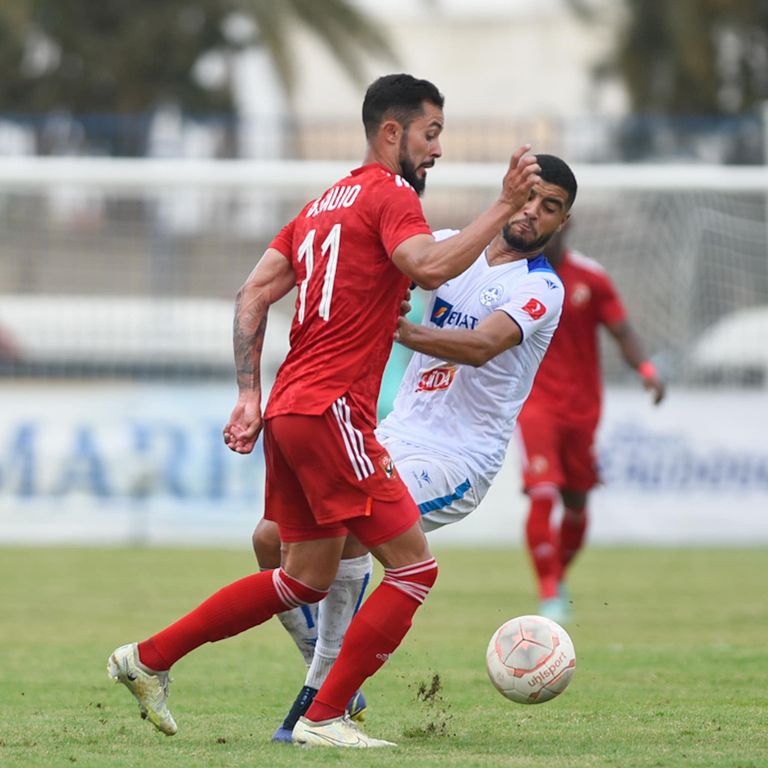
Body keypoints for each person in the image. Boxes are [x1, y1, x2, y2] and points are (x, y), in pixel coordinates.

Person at [107, 72, 542, 749]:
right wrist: (501, 205)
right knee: (413, 568)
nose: (435, 151)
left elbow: (253, 293)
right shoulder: (390, 195)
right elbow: (426, 267)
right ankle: (324, 714)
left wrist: (250, 393)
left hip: (289, 409)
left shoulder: (317, 208)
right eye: (431, 135)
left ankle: (149, 658)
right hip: (335, 409)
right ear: (391, 132)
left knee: (303, 576)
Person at [253, 154, 578, 742]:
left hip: (456, 459)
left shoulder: (541, 288)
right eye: (527, 198)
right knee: (270, 540)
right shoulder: (454, 248)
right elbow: (393, 267)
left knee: (349, 531)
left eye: (549, 206)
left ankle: (315, 706)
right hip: (393, 434)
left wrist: (397, 328)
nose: (533, 213)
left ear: (562, 221)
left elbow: (481, 346)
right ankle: (334, 685)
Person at [516, 224, 665, 624]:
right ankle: (548, 591)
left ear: (565, 224)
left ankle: (557, 576)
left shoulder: (591, 278)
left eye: (552, 215)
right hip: (536, 405)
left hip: (583, 411)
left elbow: (623, 330)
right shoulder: (517, 274)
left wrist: (646, 368)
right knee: (542, 493)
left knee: (577, 505)